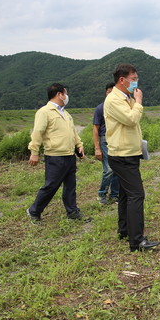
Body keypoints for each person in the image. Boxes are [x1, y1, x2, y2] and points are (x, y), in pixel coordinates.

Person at [104, 63, 160, 252]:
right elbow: (131, 119)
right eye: (133, 79)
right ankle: (137, 241)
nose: (136, 82)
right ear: (122, 80)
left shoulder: (124, 97)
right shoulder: (114, 100)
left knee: (126, 194)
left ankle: (125, 230)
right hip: (123, 155)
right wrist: (139, 101)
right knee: (137, 194)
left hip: (128, 153)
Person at [26, 83, 87, 224]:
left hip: (69, 155)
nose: (67, 96)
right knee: (51, 185)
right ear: (59, 94)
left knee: (70, 185)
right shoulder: (44, 112)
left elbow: (73, 133)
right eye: (65, 93)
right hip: (55, 155)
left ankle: (72, 211)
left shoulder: (66, 114)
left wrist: (79, 146)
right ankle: (34, 211)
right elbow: (38, 132)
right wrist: (34, 152)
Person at [93, 82, 120, 205]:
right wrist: (97, 148)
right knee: (109, 169)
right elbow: (95, 129)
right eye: (109, 91)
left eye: (113, 91)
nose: (111, 94)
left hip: (117, 139)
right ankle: (101, 194)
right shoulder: (100, 108)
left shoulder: (119, 107)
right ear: (105, 92)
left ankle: (114, 195)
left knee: (117, 168)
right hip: (105, 140)